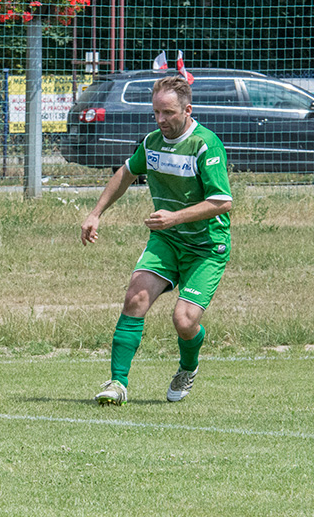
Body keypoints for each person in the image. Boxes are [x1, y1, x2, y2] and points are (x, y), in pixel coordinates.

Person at [80, 75, 232, 406]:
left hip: (206, 247)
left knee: (184, 321)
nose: (160, 119)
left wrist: (175, 217)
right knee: (135, 297)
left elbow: (222, 202)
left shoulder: (205, 145)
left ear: (187, 110)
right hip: (167, 241)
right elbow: (125, 173)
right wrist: (95, 213)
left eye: (168, 113)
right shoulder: (152, 143)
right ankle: (118, 383)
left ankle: (188, 366)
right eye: (156, 112)